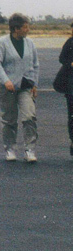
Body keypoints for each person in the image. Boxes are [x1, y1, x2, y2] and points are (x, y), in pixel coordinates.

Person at [0, 13, 40, 162]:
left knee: (29, 117)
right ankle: (10, 148)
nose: (28, 30)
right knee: (9, 120)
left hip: (25, 85)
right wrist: (6, 80)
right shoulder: (2, 43)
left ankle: (30, 150)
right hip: (8, 88)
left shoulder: (30, 43)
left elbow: (35, 64)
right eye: (25, 27)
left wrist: (35, 83)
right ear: (16, 28)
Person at [58, 24, 73, 157]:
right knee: (72, 116)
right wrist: (71, 64)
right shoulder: (69, 42)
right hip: (71, 86)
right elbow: (61, 58)